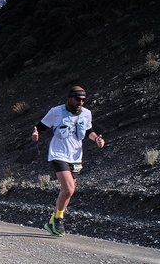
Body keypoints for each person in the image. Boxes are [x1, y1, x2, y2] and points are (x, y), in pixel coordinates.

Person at [31, 86, 105, 237]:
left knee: (67, 191)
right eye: (78, 99)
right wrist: (35, 133)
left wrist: (96, 139)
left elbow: (89, 131)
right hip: (58, 154)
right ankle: (59, 219)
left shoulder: (86, 114)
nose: (80, 102)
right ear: (70, 98)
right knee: (69, 189)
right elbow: (40, 126)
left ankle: (52, 221)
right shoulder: (56, 111)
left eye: (83, 100)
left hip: (76, 156)